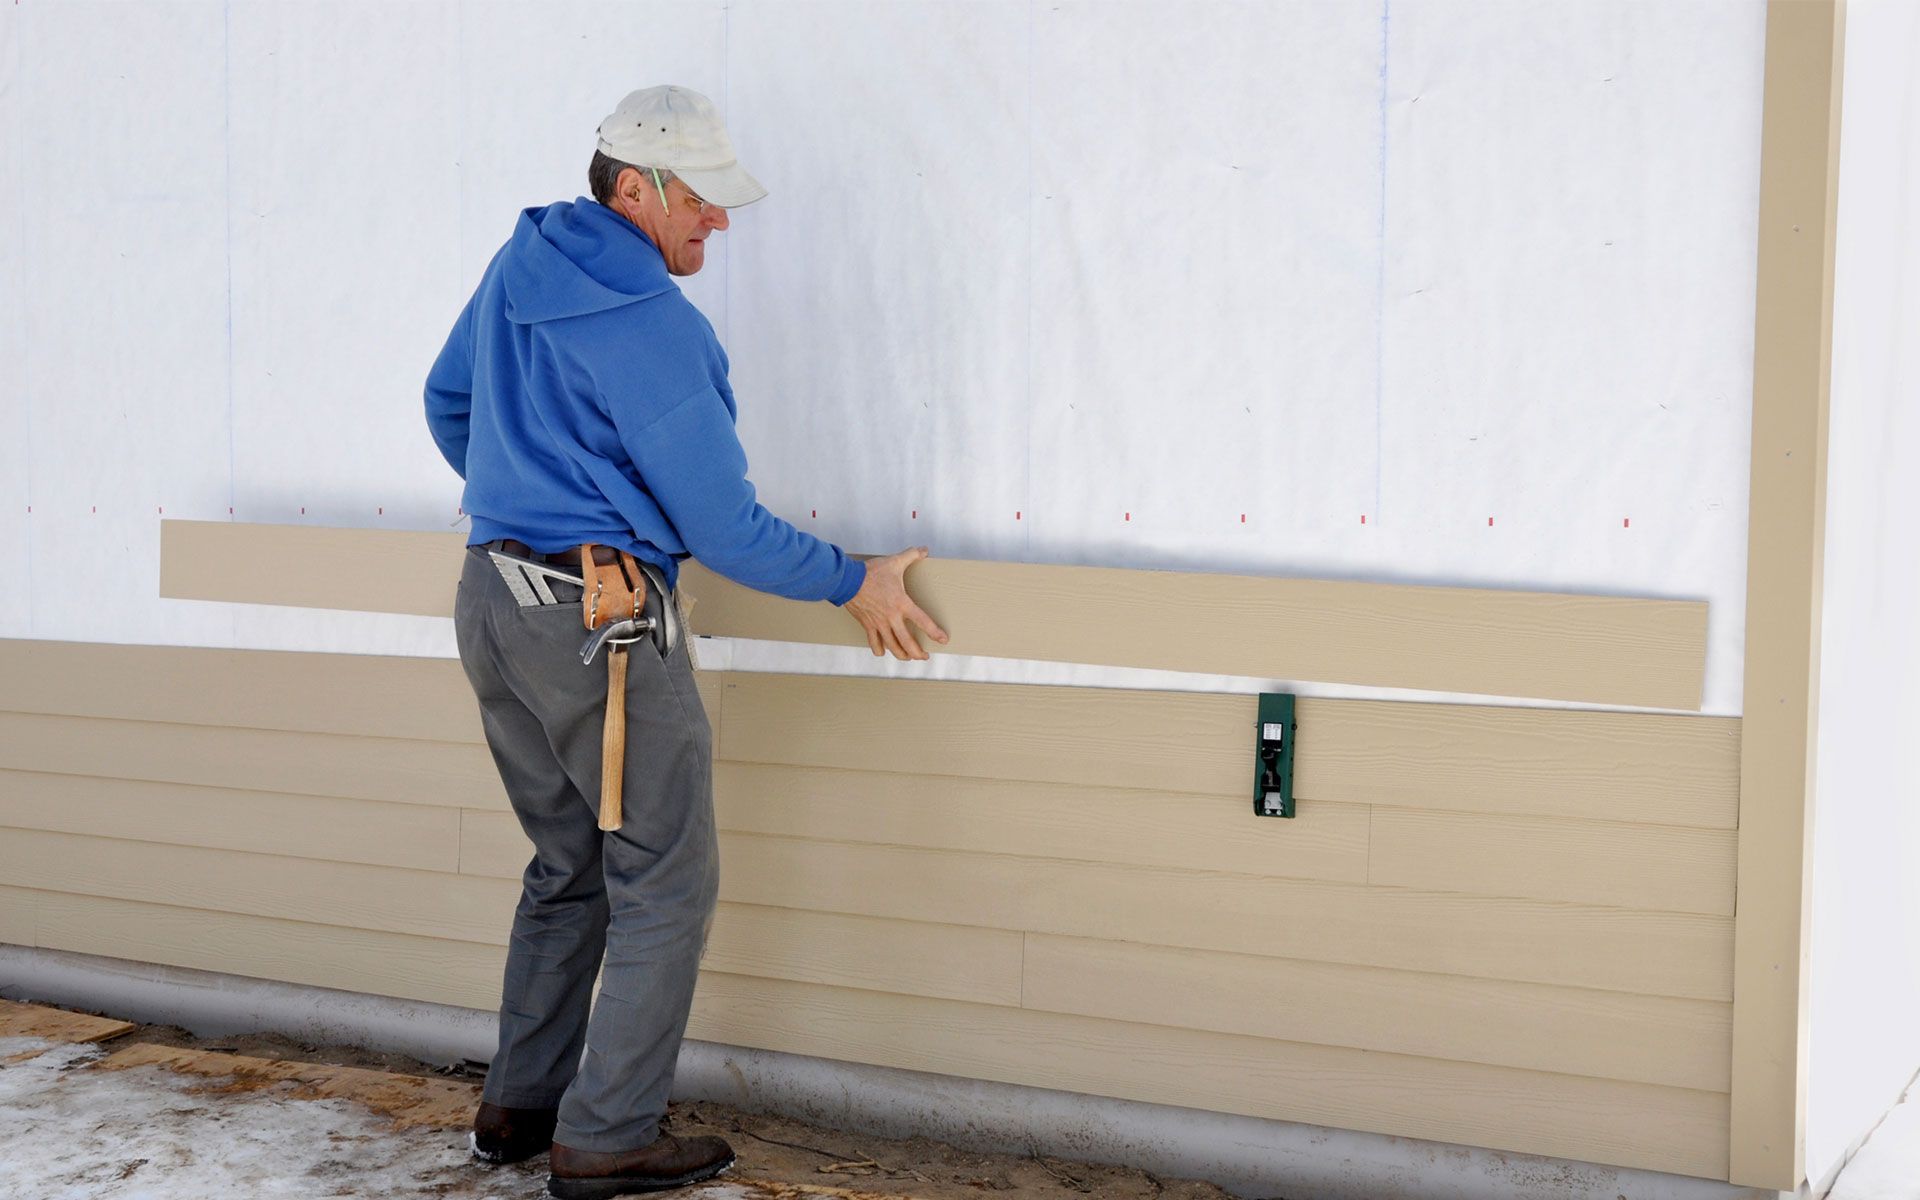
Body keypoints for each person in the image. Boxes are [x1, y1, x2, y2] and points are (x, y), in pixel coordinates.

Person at [422, 83, 947, 1199]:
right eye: (703, 199)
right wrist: (854, 581)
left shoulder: (522, 265)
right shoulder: (653, 325)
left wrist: (533, 500)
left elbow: (447, 402)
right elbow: (724, 528)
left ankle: (518, 1110)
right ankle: (606, 1138)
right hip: (596, 625)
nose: (718, 220)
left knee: (568, 864)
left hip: (491, 599)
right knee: (665, 879)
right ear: (635, 186)